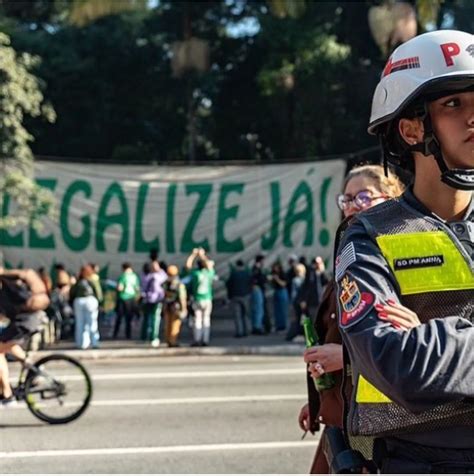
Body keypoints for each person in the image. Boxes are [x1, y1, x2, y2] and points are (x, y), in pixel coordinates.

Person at [333, 30, 474, 473]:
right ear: (412, 128)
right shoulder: (368, 237)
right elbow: (402, 367)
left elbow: (421, 353)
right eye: (454, 104)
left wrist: (434, 336)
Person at [300, 164, 405, 473]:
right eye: (346, 199)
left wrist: (344, 358)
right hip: (341, 417)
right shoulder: (350, 256)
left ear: (390, 198)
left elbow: (410, 344)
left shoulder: (400, 255)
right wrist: (319, 402)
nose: (352, 206)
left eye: (364, 197)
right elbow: (334, 332)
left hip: (377, 423)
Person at [0, 268, 50, 404]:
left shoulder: (8, 282)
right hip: (31, 318)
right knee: (7, 344)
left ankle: (7, 395)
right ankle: (34, 368)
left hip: (27, 320)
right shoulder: (8, 283)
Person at [185, 248, 216, 346]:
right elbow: (209, 265)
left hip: (197, 299)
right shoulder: (208, 273)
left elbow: (188, 266)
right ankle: (205, 340)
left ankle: (197, 339)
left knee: (197, 320)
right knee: (206, 319)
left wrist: (193, 255)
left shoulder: (195, 274)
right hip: (207, 299)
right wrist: (202, 255)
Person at [70, 264, 102, 349]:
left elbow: (72, 292)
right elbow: (98, 292)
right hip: (90, 300)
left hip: (79, 300)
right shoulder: (92, 280)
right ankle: (94, 343)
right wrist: (100, 302)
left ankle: (81, 343)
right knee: (92, 322)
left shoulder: (78, 281)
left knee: (80, 323)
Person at [140, 261, 167, 347]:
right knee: (153, 319)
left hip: (150, 299)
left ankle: (147, 336)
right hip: (153, 300)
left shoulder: (146, 276)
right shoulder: (154, 276)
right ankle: (153, 337)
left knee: (149, 318)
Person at [163, 265, 187, 347]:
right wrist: (184, 308)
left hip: (167, 305)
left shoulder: (165, 283)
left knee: (167, 324)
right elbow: (182, 297)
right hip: (176, 307)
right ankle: (172, 341)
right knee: (175, 325)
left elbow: (163, 293)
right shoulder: (178, 283)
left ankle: (168, 340)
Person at [226, 259, 252, 338]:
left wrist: (229, 296)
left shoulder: (233, 274)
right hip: (245, 296)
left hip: (235, 296)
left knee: (238, 315)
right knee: (245, 315)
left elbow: (229, 285)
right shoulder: (247, 274)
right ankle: (246, 331)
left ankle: (239, 332)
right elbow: (250, 283)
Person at [114, 262, 140, 339]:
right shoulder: (135, 277)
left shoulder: (122, 277)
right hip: (131, 298)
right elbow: (137, 288)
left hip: (122, 298)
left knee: (119, 317)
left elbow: (120, 288)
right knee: (128, 318)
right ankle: (128, 335)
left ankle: (115, 333)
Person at [298, 256, 329, 322]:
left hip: (322, 301)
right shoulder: (310, 273)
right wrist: (303, 299)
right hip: (313, 302)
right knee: (315, 321)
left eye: (320, 263)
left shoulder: (321, 274)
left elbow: (326, 282)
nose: (318, 265)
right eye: (317, 263)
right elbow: (305, 286)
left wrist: (322, 272)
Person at [285, 262, 306, 342]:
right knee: (302, 319)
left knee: (297, 319)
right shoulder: (303, 279)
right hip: (302, 302)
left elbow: (294, 293)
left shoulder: (295, 280)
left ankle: (295, 334)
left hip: (297, 302)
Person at [269, 261, 289, 332]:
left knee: (282, 310)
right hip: (276, 291)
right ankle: (278, 325)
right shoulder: (273, 273)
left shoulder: (282, 274)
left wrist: (277, 279)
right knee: (276, 310)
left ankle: (283, 326)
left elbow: (284, 284)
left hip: (282, 291)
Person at [250, 254, 267, 335]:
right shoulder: (256, 269)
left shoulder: (256, 269)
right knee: (258, 309)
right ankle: (257, 327)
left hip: (257, 289)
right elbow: (256, 280)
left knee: (257, 309)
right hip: (257, 289)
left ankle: (256, 326)